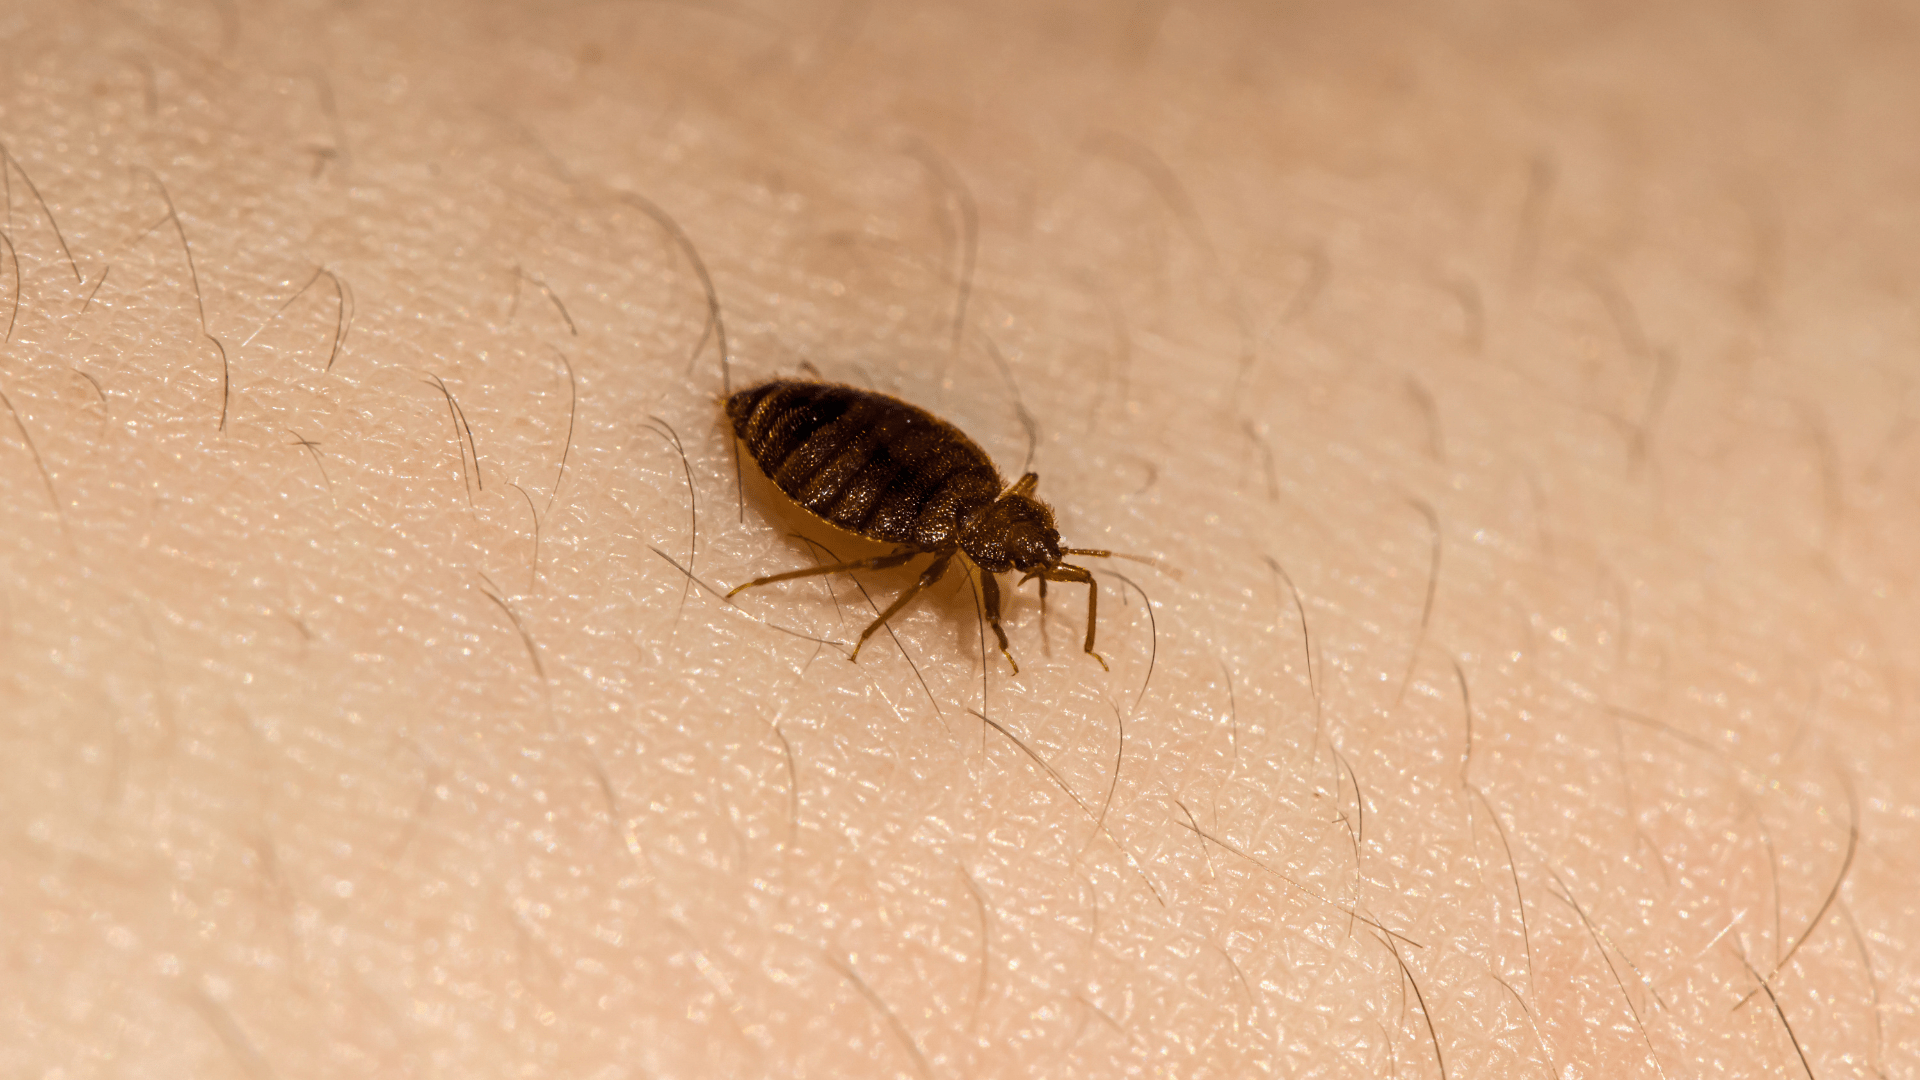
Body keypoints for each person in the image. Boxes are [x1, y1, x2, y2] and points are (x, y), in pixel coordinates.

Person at [1, 1, 1902, 1075]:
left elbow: (959, 518)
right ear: (995, 532)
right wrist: (810, 552)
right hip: (834, 448)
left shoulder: (982, 524)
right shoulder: (928, 530)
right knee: (843, 571)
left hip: (859, 443)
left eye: (1009, 565)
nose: (1005, 575)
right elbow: (867, 499)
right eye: (1009, 564)